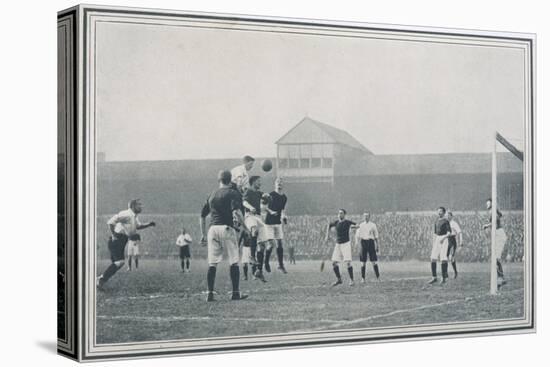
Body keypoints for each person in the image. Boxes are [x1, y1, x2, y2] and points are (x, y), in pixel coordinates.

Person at [200, 170, 248, 301]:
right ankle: (235, 293)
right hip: (226, 228)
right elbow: (237, 212)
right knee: (233, 261)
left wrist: (203, 234)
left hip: (212, 229)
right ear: (230, 179)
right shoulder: (233, 193)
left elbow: (202, 216)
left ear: (219, 180)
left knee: (212, 263)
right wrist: (246, 228)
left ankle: (210, 293)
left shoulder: (211, 195)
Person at [97, 199, 155, 289]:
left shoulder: (134, 216)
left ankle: (101, 280)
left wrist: (149, 224)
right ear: (132, 206)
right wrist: (114, 234)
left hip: (122, 240)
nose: (141, 207)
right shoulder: (126, 214)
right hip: (117, 239)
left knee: (117, 264)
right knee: (119, 262)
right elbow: (111, 222)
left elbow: (138, 226)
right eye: (139, 205)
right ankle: (101, 279)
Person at [242, 175, 270, 282]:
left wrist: (268, 197)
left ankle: (259, 270)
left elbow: (266, 200)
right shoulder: (248, 191)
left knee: (262, 245)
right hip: (250, 216)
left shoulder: (259, 193)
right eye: (259, 181)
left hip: (258, 217)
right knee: (254, 230)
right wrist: (250, 207)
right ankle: (252, 257)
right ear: (253, 182)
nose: (260, 183)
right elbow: (244, 202)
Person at [325, 209, 358, 287]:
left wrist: (353, 227)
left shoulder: (347, 222)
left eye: (341, 213)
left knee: (348, 263)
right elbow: (329, 225)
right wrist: (327, 236)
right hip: (338, 244)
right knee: (334, 263)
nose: (340, 214)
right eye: (339, 213)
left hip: (346, 244)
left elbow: (357, 225)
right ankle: (339, 279)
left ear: (344, 214)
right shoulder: (336, 222)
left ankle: (352, 280)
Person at [264, 178, 288, 274]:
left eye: (281, 183)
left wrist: (284, 217)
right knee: (271, 245)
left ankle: (281, 265)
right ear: (275, 184)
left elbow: (282, 210)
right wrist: (271, 211)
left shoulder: (284, 197)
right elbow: (263, 207)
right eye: (278, 182)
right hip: (269, 222)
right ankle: (266, 262)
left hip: (278, 222)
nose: (279, 184)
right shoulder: (271, 195)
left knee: (280, 244)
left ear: (283, 185)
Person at [482, 198, 507, 289]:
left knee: (495, 258)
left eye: (488, 203)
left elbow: (495, 222)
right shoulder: (493, 211)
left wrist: (486, 225)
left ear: (492, 203)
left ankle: (501, 278)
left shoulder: (492, 211)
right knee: (495, 258)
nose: (486, 205)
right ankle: (500, 278)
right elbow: (498, 217)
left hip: (499, 234)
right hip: (498, 234)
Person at [428, 207, 452, 285]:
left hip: (444, 239)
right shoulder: (436, 221)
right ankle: (434, 277)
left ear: (444, 213)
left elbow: (449, 233)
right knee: (433, 258)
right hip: (437, 239)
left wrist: (443, 238)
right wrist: (434, 242)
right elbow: (435, 233)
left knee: (443, 259)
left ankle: (444, 278)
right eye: (438, 211)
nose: (439, 213)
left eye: (441, 211)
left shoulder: (446, 221)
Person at [356, 212, 380, 282]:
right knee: (363, 262)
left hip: (371, 242)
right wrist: (358, 244)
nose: (366, 217)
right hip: (363, 242)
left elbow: (376, 236)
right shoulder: (360, 225)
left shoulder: (373, 225)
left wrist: (377, 245)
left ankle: (378, 277)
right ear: (363, 217)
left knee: (374, 261)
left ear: (369, 217)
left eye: (367, 216)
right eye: (364, 216)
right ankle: (363, 278)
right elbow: (357, 236)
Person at [446, 211, 462, 279]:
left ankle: (455, 272)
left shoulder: (454, 223)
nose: (447, 217)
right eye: (446, 215)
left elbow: (459, 232)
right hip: (447, 241)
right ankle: (445, 273)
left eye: (448, 215)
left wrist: (461, 242)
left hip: (452, 240)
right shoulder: (446, 223)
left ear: (451, 216)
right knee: (445, 257)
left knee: (451, 258)